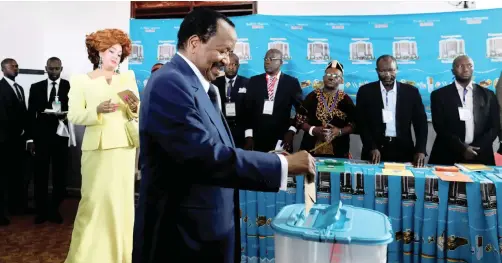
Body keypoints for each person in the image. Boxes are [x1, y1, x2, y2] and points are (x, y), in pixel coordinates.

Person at [136, 8, 315, 263]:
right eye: (223, 51)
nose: (227, 60)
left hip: (206, 232)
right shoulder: (169, 83)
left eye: (230, 52)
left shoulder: (201, 86)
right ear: (195, 43)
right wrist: (282, 165)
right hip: (181, 239)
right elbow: (203, 156)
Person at [65, 28, 140, 263]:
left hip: (123, 149)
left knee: (121, 205)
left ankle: (120, 256)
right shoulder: (80, 80)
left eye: (119, 53)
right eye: (111, 51)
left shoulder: (126, 79)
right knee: (93, 203)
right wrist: (96, 110)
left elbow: (135, 110)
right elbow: (74, 115)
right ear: (98, 51)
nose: (116, 57)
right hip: (96, 150)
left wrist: (127, 98)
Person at [356, 55, 428, 166]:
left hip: (404, 151)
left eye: (391, 70)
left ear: (397, 69)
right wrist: (371, 147)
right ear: (377, 71)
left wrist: (420, 150)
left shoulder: (411, 92)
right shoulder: (365, 92)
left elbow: (421, 123)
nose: (388, 75)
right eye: (383, 71)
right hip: (374, 152)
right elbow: (362, 123)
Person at [429, 55, 500, 165]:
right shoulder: (439, 95)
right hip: (448, 154)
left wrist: (476, 149)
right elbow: (440, 127)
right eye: (460, 66)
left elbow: (494, 127)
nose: (466, 69)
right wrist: (462, 148)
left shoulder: (488, 95)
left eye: (469, 65)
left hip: (480, 155)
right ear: (453, 71)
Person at [27, 57, 70, 224]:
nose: (53, 72)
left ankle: (55, 209)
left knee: (60, 174)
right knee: (41, 174)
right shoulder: (36, 87)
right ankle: (42, 211)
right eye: (51, 69)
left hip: (61, 136)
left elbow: (76, 108)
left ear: (61, 68)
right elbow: (31, 114)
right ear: (46, 68)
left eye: (57, 69)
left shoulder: (68, 86)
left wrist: (65, 114)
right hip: (41, 137)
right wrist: (30, 139)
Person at [243, 48, 303, 153]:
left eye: (271, 59)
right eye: (265, 58)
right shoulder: (254, 81)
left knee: (282, 169)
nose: (267, 61)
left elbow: (301, 110)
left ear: (280, 62)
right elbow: (247, 110)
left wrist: (291, 131)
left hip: (283, 138)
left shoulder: (291, 83)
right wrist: (248, 136)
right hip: (258, 139)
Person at [296, 60, 356, 158]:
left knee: (337, 173)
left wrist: (339, 131)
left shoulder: (346, 100)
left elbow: (354, 124)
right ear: (323, 78)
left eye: (336, 76)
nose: (331, 78)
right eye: (328, 74)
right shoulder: (312, 96)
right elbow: (299, 119)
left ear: (341, 80)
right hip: (310, 150)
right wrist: (313, 129)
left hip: (339, 150)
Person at [0, 58, 35, 225]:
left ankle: (17, 207)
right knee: (3, 177)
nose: (15, 68)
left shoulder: (19, 88)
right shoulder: (1, 88)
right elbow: (3, 117)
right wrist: (16, 132)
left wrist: (27, 135)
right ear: (3, 69)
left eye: (16, 66)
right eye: (12, 66)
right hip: (5, 140)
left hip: (18, 140)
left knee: (17, 174)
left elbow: (24, 114)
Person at [212, 53, 249, 148]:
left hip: (241, 131)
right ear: (224, 65)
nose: (231, 67)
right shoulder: (214, 83)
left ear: (238, 66)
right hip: (222, 129)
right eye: (228, 64)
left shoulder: (248, 83)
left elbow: (251, 110)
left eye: (234, 64)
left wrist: (249, 135)